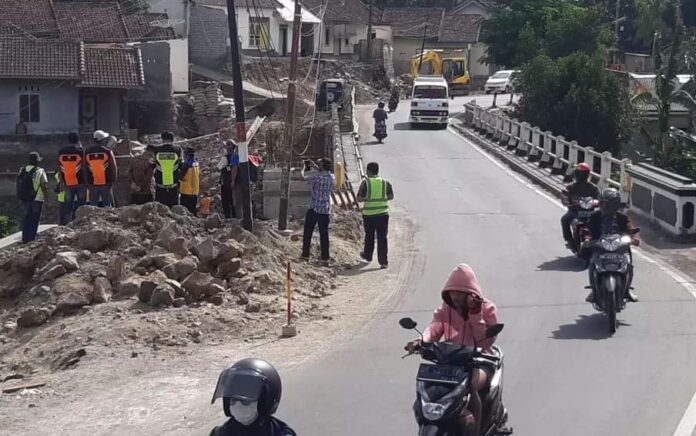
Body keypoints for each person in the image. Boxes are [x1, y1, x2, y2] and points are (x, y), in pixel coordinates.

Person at [405, 263, 498, 436]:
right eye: (452, 292)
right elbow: (434, 327)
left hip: (480, 361)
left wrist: (475, 313)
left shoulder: (487, 308)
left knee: (470, 386)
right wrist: (420, 340)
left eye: (459, 292)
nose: (454, 296)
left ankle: (476, 431)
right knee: (429, 390)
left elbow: (485, 341)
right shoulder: (446, 309)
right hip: (450, 361)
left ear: (470, 293)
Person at [210, 358, 296, 436]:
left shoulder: (281, 434)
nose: (238, 405)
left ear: (264, 402)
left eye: (245, 401)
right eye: (233, 399)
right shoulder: (219, 434)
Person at [583, 188, 640, 303]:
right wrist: (588, 239)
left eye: (610, 204)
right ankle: (594, 291)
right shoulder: (595, 216)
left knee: (628, 264)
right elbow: (587, 229)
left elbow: (631, 227)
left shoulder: (621, 217)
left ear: (616, 204)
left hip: (619, 247)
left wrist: (634, 238)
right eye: (604, 204)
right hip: (600, 247)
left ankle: (627, 290)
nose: (606, 207)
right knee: (592, 264)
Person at [357, 162, 394, 268]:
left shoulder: (366, 183)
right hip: (383, 214)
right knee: (382, 237)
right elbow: (391, 196)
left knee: (369, 236)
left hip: (369, 214)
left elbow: (359, 198)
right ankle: (383, 262)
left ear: (368, 171)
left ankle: (368, 256)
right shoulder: (385, 182)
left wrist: (366, 199)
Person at [301, 158, 335, 263]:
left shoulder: (316, 177)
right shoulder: (332, 177)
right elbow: (323, 172)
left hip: (314, 209)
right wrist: (316, 166)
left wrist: (303, 168)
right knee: (324, 234)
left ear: (322, 166)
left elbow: (303, 178)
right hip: (325, 210)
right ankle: (325, 257)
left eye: (319, 164)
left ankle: (305, 254)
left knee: (308, 232)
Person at [561, 163, 599, 248]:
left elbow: (599, 199)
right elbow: (565, 199)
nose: (581, 176)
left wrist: (600, 203)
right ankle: (569, 240)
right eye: (579, 173)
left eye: (583, 174)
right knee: (564, 219)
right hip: (575, 212)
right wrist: (568, 202)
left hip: (589, 212)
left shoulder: (593, 187)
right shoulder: (570, 187)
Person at [16, 152, 48, 244]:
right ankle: (31, 239)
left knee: (27, 218)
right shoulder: (40, 170)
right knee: (34, 219)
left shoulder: (22, 170)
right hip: (37, 199)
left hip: (25, 198)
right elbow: (44, 185)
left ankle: (25, 238)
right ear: (37, 161)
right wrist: (47, 199)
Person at [57, 132, 85, 223]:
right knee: (81, 206)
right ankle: (81, 224)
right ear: (78, 140)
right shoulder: (81, 152)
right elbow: (84, 167)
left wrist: (61, 183)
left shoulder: (61, 152)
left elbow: (60, 169)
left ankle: (67, 225)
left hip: (67, 183)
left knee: (68, 206)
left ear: (68, 140)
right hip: (80, 182)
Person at [85, 130, 117, 207]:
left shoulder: (87, 151)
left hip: (92, 183)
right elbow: (113, 166)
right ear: (103, 140)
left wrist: (86, 181)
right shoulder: (108, 152)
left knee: (93, 207)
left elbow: (84, 167)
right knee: (107, 206)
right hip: (106, 183)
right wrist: (114, 179)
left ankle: (93, 219)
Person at [154, 131, 182, 208]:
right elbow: (181, 165)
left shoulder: (156, 150)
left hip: (160, 183)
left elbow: (153, 164)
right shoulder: (177, 150)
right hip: (173, 183)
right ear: (173, 140)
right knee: (173, 207)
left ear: (162, 139)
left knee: (160, 207)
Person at [217, 140, 241, 219]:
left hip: (226, 182)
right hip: (236, 182)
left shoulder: (226, 158)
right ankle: (235, 216)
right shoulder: (237, 156)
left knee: (226, 201)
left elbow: (218, 167)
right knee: (233, 200)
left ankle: (228, 217)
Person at [180, 148, 200, 215]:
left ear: (187, 155)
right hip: (195, 191)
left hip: (186, 191)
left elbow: (180, 176)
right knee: (193, 209)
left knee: (186, 211)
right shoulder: (196, 163)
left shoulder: (186, 164)